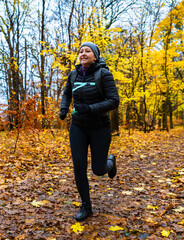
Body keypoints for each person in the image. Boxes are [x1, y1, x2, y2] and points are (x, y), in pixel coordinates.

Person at [59, 42, 119, 221]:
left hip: (99, 126)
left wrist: (90, 108)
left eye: (88, 51)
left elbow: (114, 101)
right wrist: (64, 108)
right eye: (81, 51)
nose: (83, 54)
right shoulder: (73, 74)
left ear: (95, 56)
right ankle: (86, 206)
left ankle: (110, 162)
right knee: (78, 166)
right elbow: (67, 94)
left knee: (98, 170)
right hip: (78, 126)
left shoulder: (104, 74)